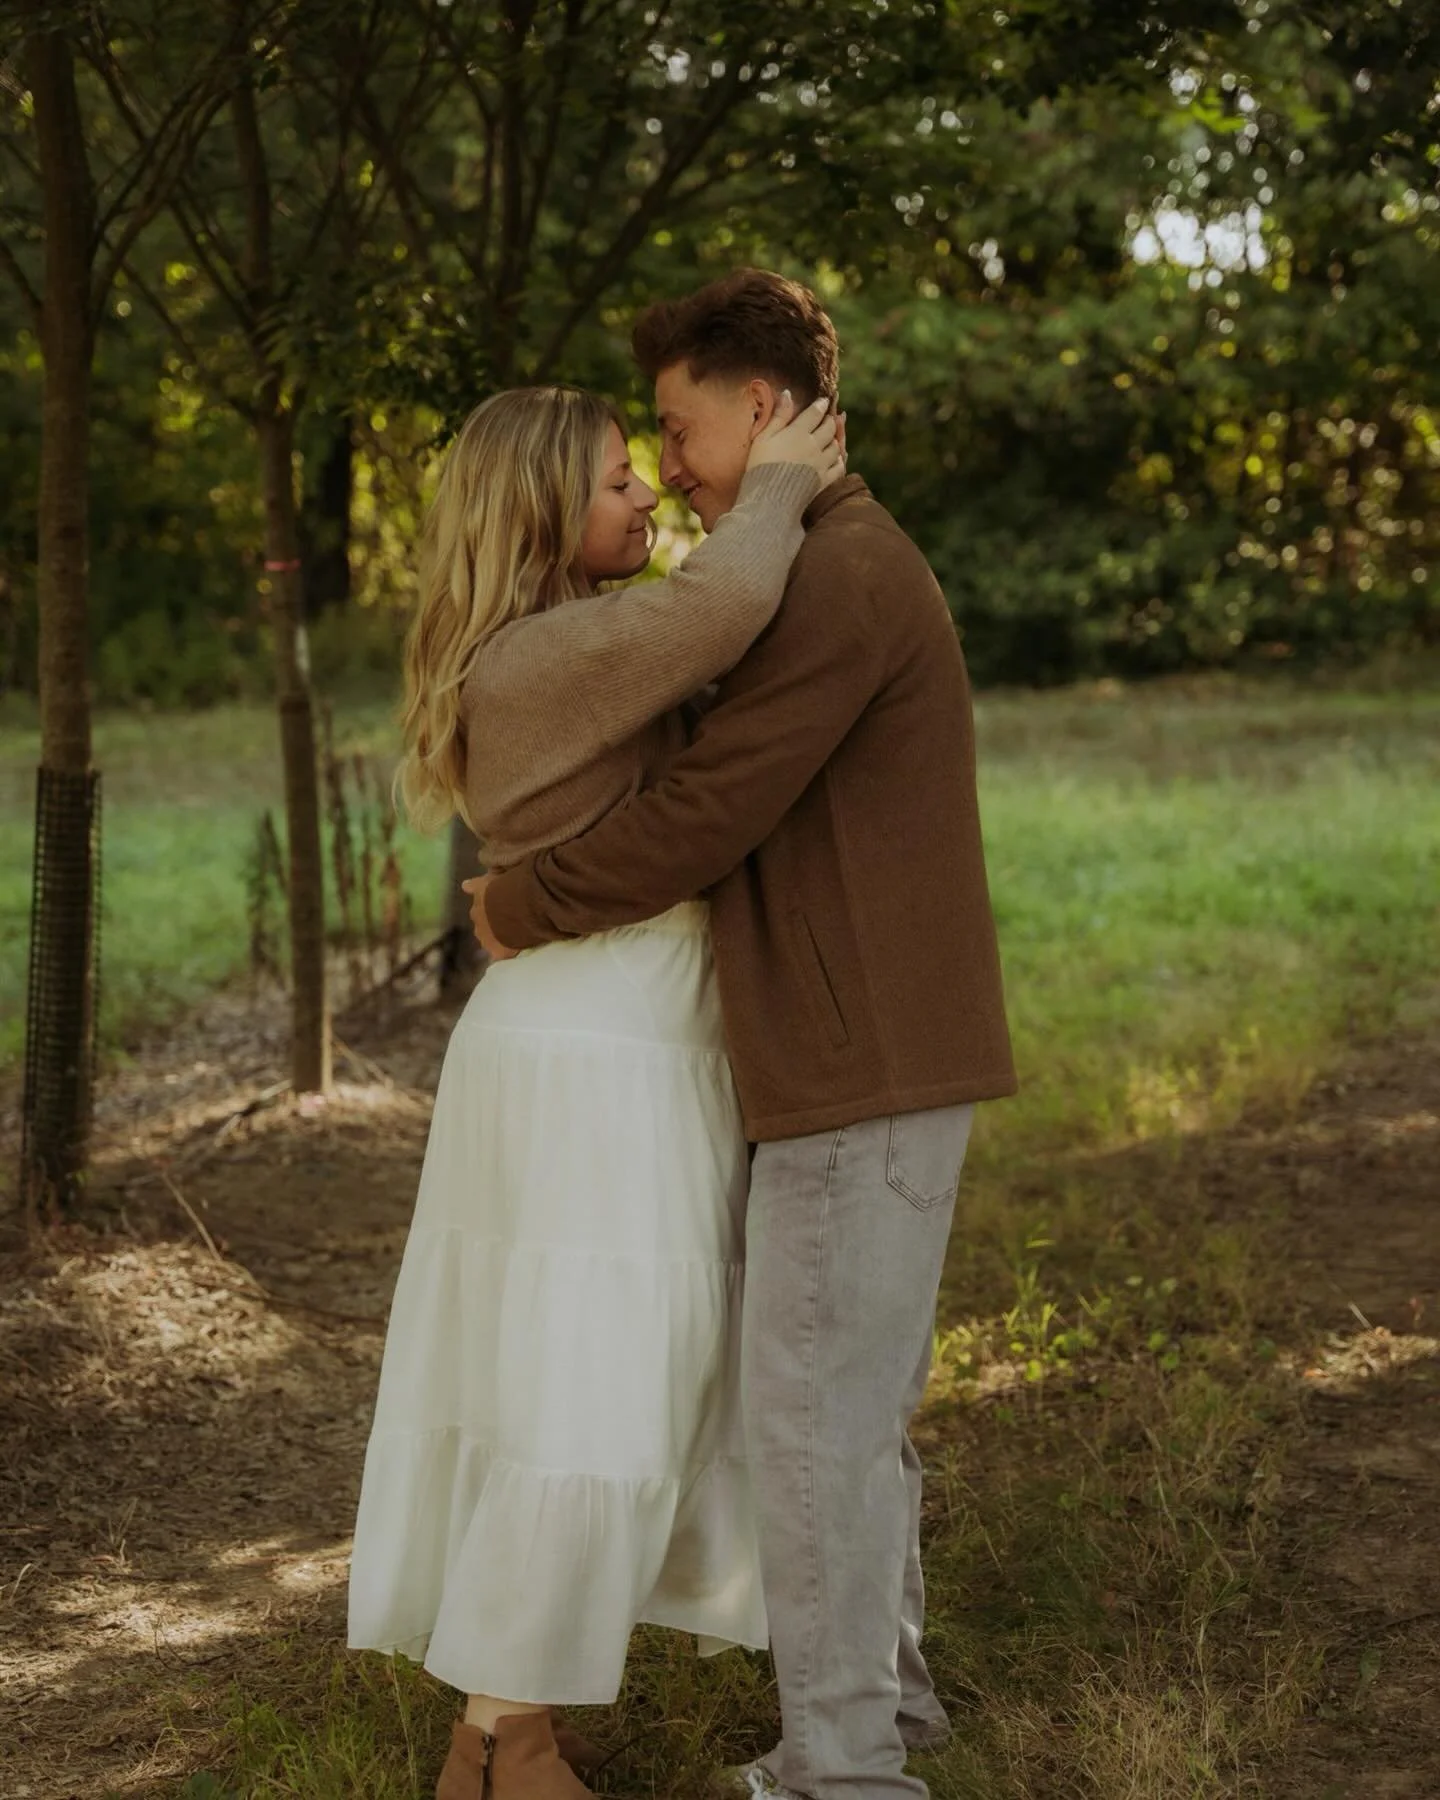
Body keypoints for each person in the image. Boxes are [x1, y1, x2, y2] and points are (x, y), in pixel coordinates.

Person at [466, 270, 1017, 1800]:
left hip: (860, 1066)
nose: (672, 464)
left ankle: (841, 1774)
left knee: (812, 1431)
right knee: (844, 1415)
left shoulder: (836, 577)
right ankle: (885, 1713)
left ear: (760, 411)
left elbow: (708, 812)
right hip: (859, 1055)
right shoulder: (821, 562)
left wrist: (525, 901)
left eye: (677, 426)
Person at [346, 381, 844, 1800]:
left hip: (607, 1022)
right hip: (599, 1041)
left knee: (581, 1379)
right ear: (541, 514)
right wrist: (779, 479)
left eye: (643, 474)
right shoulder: (546, 654)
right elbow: (727, 603)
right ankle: (512, 1732)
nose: (644, 501)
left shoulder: (563, 643)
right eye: (618, 481)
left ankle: (494, 1732)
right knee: (604, 1386)